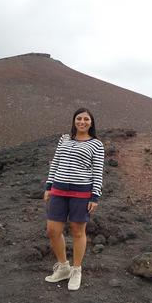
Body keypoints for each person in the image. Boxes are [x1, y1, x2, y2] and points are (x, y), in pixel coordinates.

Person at [43, 107, 105, 290]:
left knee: (78, 231)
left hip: (81, 193)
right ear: (74, 121)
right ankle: (63, 267)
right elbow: (55, 162)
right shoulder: (64, 139)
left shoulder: (96, 144)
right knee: (52, 230)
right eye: (79, 119)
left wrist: (95, 196)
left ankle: (76, 270)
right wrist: (49, 186)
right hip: (59, 190)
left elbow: (98, 172)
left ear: (91, 122)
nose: (82, 122)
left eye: (86, 119)